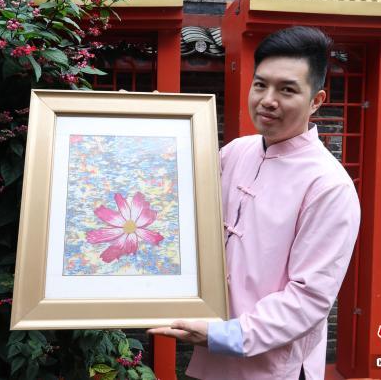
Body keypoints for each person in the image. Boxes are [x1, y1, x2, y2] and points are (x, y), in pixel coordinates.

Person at [148, 26, 361, 380]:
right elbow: (178, 200)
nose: (267, 100)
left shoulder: (328, 185)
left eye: (287, 89)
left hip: (272, 368)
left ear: (316, 100)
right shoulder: (236, 152)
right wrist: (144, 126)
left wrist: (224, 335)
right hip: (211, 359)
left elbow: (309, 299)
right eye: (260, 85)